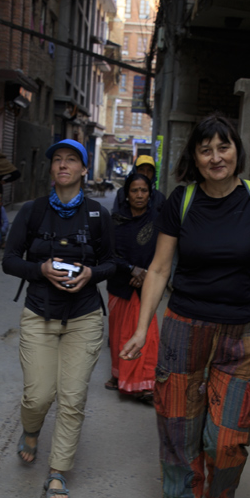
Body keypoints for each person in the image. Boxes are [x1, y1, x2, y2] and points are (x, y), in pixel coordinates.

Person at [119, 113, 250, 498]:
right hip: (183, 332)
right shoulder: (182, 200)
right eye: (206, 149)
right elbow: (159, 268)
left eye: (224, 147)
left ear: (237, 150)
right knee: (179, 433)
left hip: (244, 334)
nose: (217, 157)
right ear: (194, 158)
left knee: (227, 439)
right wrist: (141, 328)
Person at [2, 138, 118, 498]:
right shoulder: (33, 212)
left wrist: (90, 274)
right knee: (38, 396)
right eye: (57, 160)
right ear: (51, 169)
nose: (63, 165)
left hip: (84, 317)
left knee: (72, 398)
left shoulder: (99, 216)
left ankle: (57, 472)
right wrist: (40, 269)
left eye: (72, 160)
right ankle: (31, 429)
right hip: (39, 312)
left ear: (85, 170)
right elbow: (8, 260)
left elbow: (113, 263)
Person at [104, 170, 161, 401]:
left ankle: (145, 384)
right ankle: (119, 375)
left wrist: (146, 272)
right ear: (127, 194)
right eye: (134, 190)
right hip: (120, 282)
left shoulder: (157, 220)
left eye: (144, 190)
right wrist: (130, 269)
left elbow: (162, 252)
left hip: (148, 283)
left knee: (147, 333)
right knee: (120, 333)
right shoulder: (115, 221)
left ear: (150, 193)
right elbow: (107, 253)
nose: (139, 195)